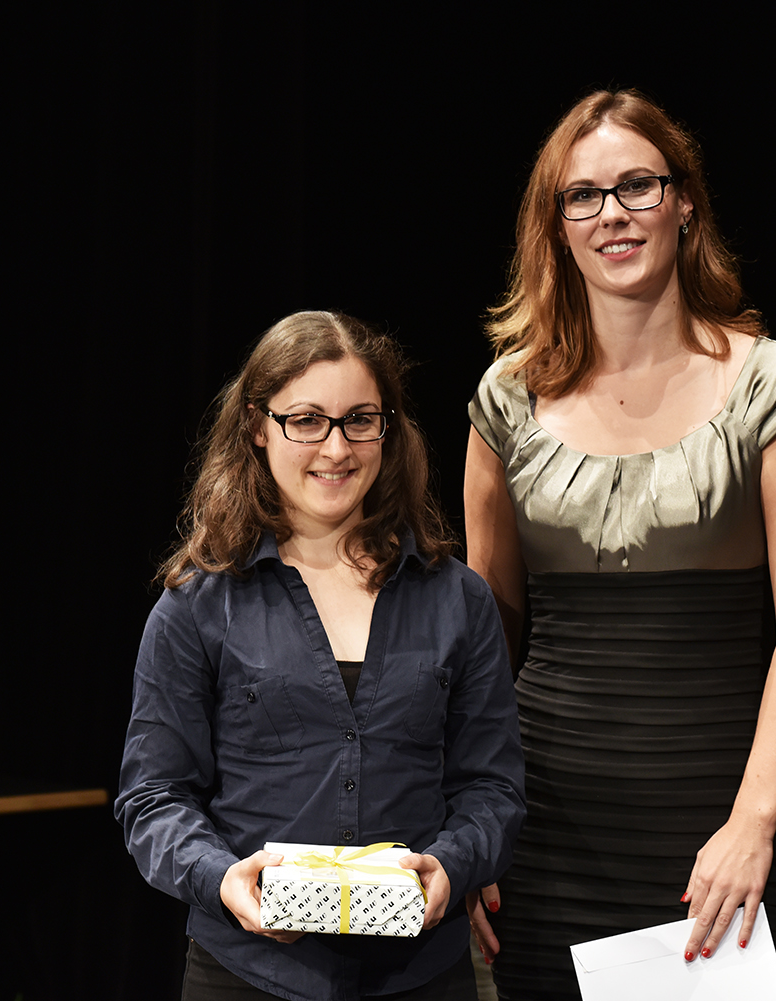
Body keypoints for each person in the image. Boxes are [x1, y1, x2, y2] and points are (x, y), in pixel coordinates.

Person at [463, 90, 776, 999]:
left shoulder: (769, 385)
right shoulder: (506, 398)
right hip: (541, 833)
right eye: (583, 196)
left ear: (685, 205)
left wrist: (752, 822)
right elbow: (482, 634)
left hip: (709, 834)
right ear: (556, 229)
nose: (613, 214)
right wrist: (466, 823)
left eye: (638, 185)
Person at [117, 310, 526, 1001]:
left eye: (359, 420)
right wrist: (221, 877)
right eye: (306, 420)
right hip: (246, 973)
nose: (336, 448)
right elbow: (153, 798)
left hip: (422, 975)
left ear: (388, 428)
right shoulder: (197, 605)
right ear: (258, 426)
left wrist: (453, 866)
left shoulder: (457, 598)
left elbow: (494, 788)